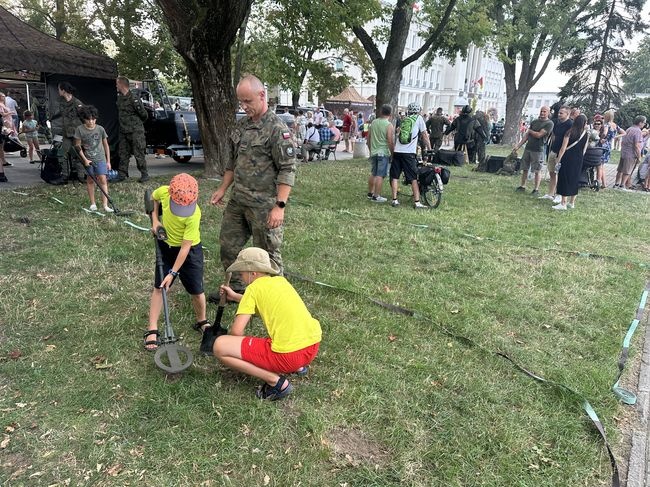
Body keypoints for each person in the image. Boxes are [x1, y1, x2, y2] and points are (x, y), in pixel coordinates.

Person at [210, 75, 296, 293]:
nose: (244, 106)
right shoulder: (241, 127)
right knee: (228, 246)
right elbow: (232, 163)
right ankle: (237, 289)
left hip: (264, 205)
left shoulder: (277, 129)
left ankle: (275, 297)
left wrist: (280, 206)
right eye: (241, 101)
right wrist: (222, 190)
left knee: (267, 254)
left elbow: (287, 169)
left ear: (262, 95)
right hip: (238, 200)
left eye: (248, 101)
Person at [211, 247, 322, 401]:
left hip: (288, 356)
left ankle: (276, 382)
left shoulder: (253, 289)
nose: (241, 277)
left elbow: (236, 332)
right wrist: (236, 297)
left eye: (242, 273)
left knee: (220, 346)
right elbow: (265, 303)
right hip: (311, 348)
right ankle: (299, 367)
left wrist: (239, 346)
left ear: (253, 273)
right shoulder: (280, 281)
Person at [144, 173, 210, 350]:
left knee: (197, 290)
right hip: (166, 246)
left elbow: (185, 247)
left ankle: (202, 321)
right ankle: (152, 328)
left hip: (189, 252)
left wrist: (173, 273)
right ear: (171, 194)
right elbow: (153, 198)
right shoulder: (164, 193)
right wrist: (155, 220)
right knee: (160, 287)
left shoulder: (194, 214)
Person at [390, 101, 431, 209]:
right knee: (413, 177)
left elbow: (398, 132)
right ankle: (417, 202)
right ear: (418, 111)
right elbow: (425, 135)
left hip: (398, 151)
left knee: (395, 176)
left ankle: (394, 200)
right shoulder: (419, 119)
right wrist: (430, 148)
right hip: (409, 153)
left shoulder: (404, 120)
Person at [74, 105, 113, 213]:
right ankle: (93, 204)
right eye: (88, 119)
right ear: (84, 119)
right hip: (88, 159)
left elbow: (106, 145)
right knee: (90, 180)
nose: (91, 121)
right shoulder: (79, 130)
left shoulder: (100, 129)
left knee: (103, 180)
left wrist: (108, 161)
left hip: (101, 159)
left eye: (93, 119)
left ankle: (105, 205)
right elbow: (77, 146)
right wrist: (85, 160)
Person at [513, 106, 554, 195]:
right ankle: (522, 186)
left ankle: (536, 189)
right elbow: (526, 136)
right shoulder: (534, 122)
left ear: (548, 113)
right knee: (524, 168)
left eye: (544, 111)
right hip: (528, 148)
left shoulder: (549, 123)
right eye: (541, 111)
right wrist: (518, 146)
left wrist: (530, 131)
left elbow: (539, 135)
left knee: (537, 170)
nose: (542, 113)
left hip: (538, 149)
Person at [116, 76, 149, 183]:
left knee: (138, 152)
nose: (116, 86)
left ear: (121, 84)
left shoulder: (134, 98)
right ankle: (122, 175)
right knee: (123, 152)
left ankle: (144, 174)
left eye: (117, 84)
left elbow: (144, 115)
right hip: (123, 130)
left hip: (135, 131)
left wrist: (136, 125)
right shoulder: (119, 98)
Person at [553, 114, 589, 210]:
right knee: (574, 179)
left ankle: (563, 202)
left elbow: (563, 148)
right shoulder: (585, 134)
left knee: (564, 178)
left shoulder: (569, 132)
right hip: (578, 159)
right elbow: (584, 149)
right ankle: (572, 202)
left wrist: (558, 159)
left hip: (567, 157)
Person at [540, 105, 572, 202]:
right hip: (553, 150)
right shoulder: (557, 123)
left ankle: (559, 194)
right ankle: (550, 193)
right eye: (559, 112)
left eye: (561, 113)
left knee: (559, 174)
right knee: (552, 172)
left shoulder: (570, 124)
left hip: (562, 153)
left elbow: (567, 141)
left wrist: (560, 155)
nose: (559, 114)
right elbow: (553, 134)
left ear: (567, 114)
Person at [55, 82, 84, 183]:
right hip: (66, 133)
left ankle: (81, 176)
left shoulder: (77, 103)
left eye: (59, 89)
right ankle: (65, 176)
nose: (58, 91)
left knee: (79, 155)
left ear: (63, 90)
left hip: (77, 134)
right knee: (63, 154)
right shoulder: (62, 102)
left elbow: (84, 117)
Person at [367, 104, 395, 203]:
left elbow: (368, 138)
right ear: (390, 113)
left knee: (373, 173)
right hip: (383, 153)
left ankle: (370, 193)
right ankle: (376, 196)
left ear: (381, 112)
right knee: (380, 175)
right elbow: (390, 141)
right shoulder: (389, 125)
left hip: (374, 151)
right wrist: (392, 153)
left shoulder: (373, 122)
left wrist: (371, 149)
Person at [615, 115, 646, 190]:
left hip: (624, 152)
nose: (644, 124)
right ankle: (622, 185)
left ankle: (616, 184)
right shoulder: (638, 131)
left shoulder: (629, 129)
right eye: (644, 123)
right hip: (631, 154)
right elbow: (636, 145)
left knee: (620, 169)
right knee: (627, 170)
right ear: (640, 122)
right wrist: (639, 156)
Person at [597, 110, 625, 188]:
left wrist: (601, 137)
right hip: (609, 146)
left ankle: (600, 182)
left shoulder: (606, 125)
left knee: (600, 166)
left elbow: (604, 133)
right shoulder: (615, 125)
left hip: (603, 145)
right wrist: (614, 137)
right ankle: (604, 183)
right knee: (602, 165)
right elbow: (624, 133)